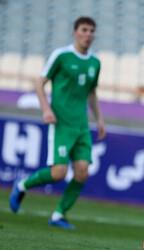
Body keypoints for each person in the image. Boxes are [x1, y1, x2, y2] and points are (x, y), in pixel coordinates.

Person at [9, 16, 105, 229]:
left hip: (81, 126)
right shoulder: (61, 56)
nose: (88, 34)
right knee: (58, 173)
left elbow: (92, 92)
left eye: (91, 31)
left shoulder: (95, 62)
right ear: (75, 32)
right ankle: (22, 185)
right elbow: (39, 82)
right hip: (61, 123)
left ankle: (58, 215)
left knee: (82, 172)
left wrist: (99, 119)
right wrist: (46, 109)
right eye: (84, 30)